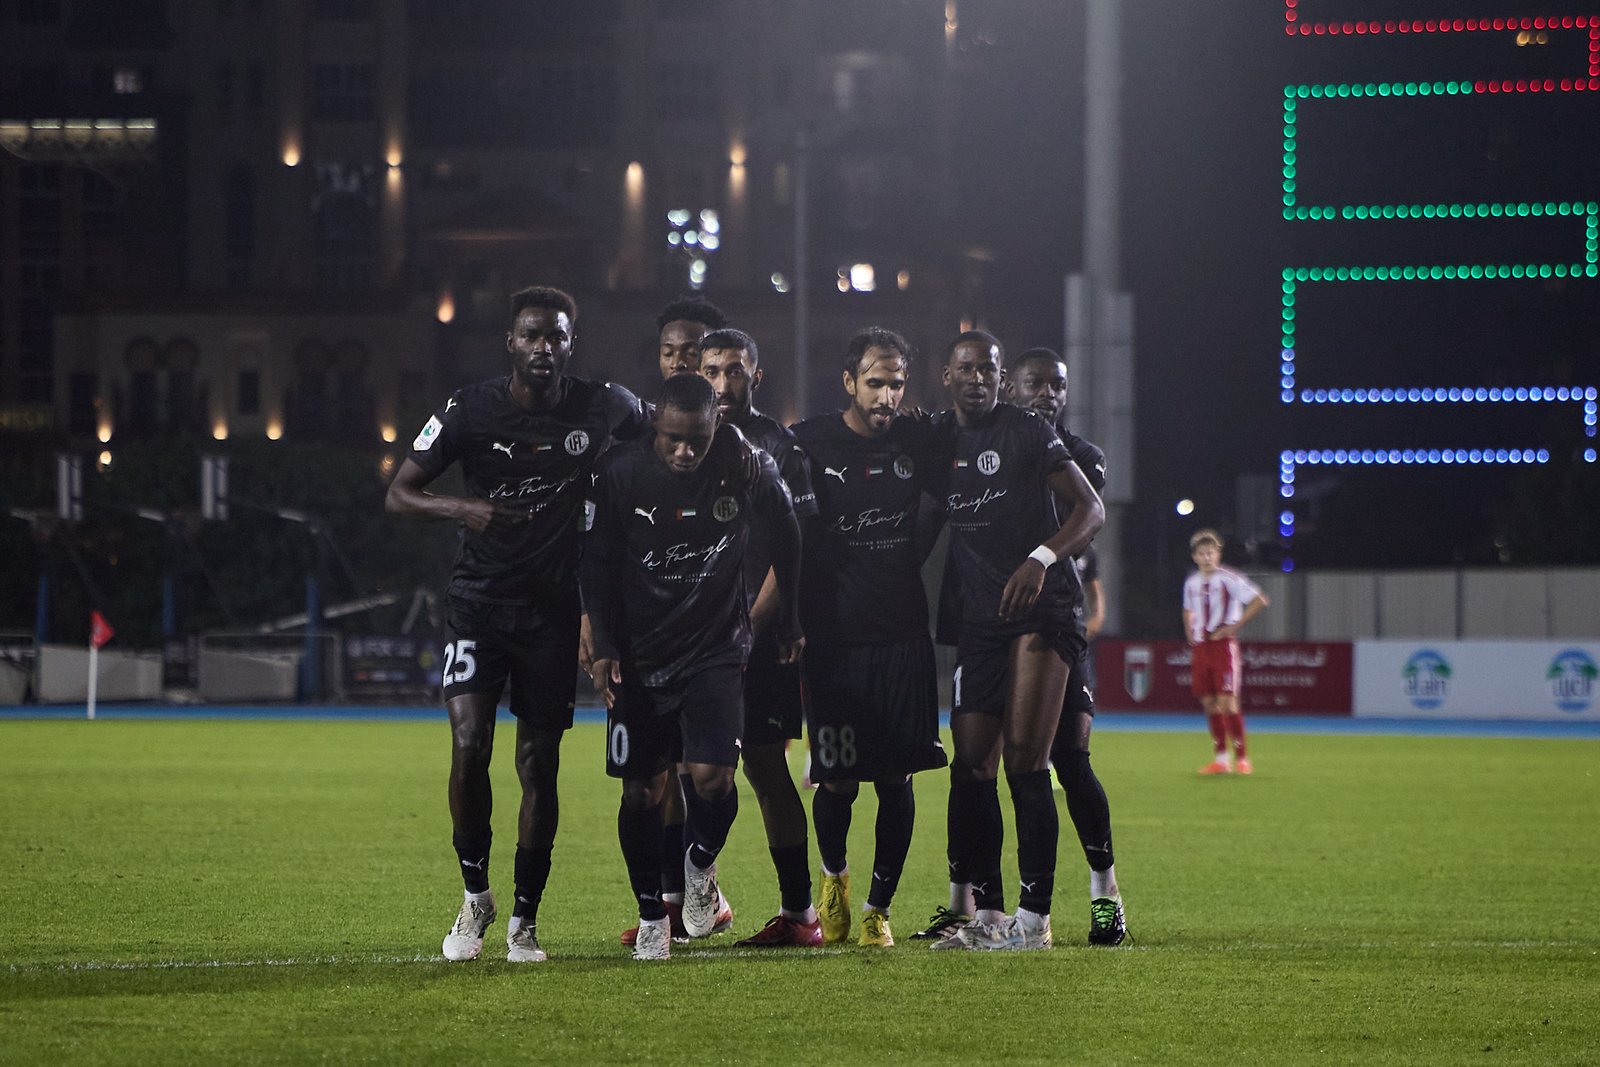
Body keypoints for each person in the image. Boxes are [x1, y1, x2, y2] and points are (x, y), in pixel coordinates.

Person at [386, 286, 649, 964]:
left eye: (556, 336)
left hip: (552, 614)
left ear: (571, 343)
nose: (543, 347)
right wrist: (462, 509)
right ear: (510, 341)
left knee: (538, 763)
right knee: (469, 741)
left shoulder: (603, 405)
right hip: (477, 602)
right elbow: (400, 492)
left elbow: (670, 436)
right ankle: (476, 895)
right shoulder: (468, 409)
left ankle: (524, 920)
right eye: (531, 335)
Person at [582, 373, 803, 961]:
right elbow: (596, 561)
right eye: (673, 439)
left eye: (697, 441)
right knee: (642, 790)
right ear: (655, 424)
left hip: (715, 648)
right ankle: (651, 915)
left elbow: (788, 531)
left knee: (713, 780)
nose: (684, 452)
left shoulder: (744, 466)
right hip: (639, 654)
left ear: (716, 428)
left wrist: (789, 616)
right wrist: (602, 643)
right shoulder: (621, 472)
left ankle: (700, 863)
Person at [926, 331, 1105, 952]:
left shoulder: (1026, 431)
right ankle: (989, 916)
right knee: (972, 765)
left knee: (1027, 763)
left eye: (987, 370)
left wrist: (1041, 558)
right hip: (980, 621)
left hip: (1042, 611)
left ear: (1001, 380)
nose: (976, 379)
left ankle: (1034, 922)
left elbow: (1090, 509)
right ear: (946, 376)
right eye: (966, 369)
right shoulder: (936, 439)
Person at [788, 328, 949, 948]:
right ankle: (833, 878)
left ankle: (879, 910)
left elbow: (940, 501)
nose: (887, 396)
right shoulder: (809, 441)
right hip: (834, 640)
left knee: (897, 778)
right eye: (875, 382)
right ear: (849, 381)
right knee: (837, 781)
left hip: (903, 635)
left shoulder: (918, 441)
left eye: (897, 384)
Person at [697, 328, 826, 947]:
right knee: (682, 768)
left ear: (756, 376)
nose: (723, 384)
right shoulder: (683, 442)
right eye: (712, 371)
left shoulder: (778, 446)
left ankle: (800, 915)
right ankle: (681, 901)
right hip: (692, 637)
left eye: (734, 371)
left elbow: (794, 547)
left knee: (765, 766)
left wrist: (752, 626)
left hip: (757, 638)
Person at [617, 296, 735, 946]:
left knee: (712, 776)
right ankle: (664, 909)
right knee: (657, 782)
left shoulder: (746, 447)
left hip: (723, 637)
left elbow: (783, 533)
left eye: (693, 353)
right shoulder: (635, 440)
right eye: (670, 353)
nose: (681, 363)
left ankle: (705, 879)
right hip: (650, 642)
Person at [1008, 347, 1126, 945]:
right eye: (1035, 383)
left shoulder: (1085, 458)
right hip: (1000, 621)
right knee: (988, 766)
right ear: (1013, 388)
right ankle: (979, 906)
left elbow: (1071, 524)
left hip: (1058, 619)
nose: (1047, 394)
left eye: (1057, 385)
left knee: (1071, 759)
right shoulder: (993, 446)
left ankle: (1106, 893)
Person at [1183, 528, 1269, 775]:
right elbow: (1187, 609)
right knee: (1209, 703)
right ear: (1195, 556)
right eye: (1202, 553)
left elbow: (1260, 599)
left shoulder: (1230, 578)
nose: (1207, 557)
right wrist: (1189, 630)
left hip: (1223, 647)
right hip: (1201, 647)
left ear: (1218, 554)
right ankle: (1221, 759)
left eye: (1210, 553)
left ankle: (1242, 758)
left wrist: (1235, 626)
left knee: (1228, 703)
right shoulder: (1191, 582)